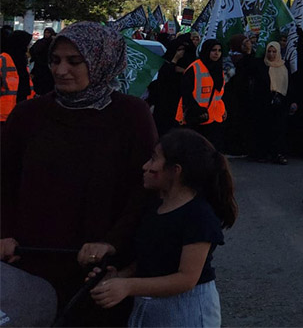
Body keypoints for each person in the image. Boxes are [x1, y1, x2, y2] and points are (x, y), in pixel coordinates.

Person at [1, 22, 158, 326]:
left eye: (74, 61)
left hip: (98, 271)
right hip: (27, 263)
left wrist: (113, 242)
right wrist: (4, 232)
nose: (61, 70)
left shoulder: (131, 115)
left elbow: (145, 189)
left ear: (101, 60)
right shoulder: (28, 115)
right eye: (55, 60)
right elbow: (4, 180)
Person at [88, 129, 236, 327]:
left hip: (187, 312)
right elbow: (149, 259)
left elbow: (186, 278)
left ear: (176, 170)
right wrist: (117, 278)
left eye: (153, 159)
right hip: (152, 309)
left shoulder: (198, 216)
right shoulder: (154, 207)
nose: (145, 166)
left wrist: (128, 286)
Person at [176, 40, 228, 152]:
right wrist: (196, 109)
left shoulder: (218, 69)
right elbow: (186, 92)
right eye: (213, 50)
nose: (217, 53)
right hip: (197, 117)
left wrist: (222, 109)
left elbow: (218, 94)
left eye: (219, 51)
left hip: (214, 117)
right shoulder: (194, 68)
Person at [251, 41, 290, 165]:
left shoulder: (285, 66)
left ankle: (278, 153)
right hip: (265, 102)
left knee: (279, 129)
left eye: (274, 52)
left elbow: (289, 85)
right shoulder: (261, 66)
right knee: (264, 128)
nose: (272, 54)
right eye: (269, 51)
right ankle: (263, 153)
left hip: (281, 103)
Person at [148, 36, 195, 137]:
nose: (181, 53)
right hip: (164, 103)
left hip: (180, 102)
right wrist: (174, 60)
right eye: (179, 50)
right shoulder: (166, 61)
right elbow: (163, 77)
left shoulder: (190, 64)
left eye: (183, 50)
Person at [1, 29, 32, 108]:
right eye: (27, 44)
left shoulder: (21, 58)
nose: (28, 47)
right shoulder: (5, 58)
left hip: (18, 102)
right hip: (7, 106)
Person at [28, 26, 56, 97]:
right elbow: (33, 50)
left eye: (48, 33)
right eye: (45, 32)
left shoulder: (54, 43)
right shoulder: (41, 42)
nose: (47, 34)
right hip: (39, 66)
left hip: (49, 67)